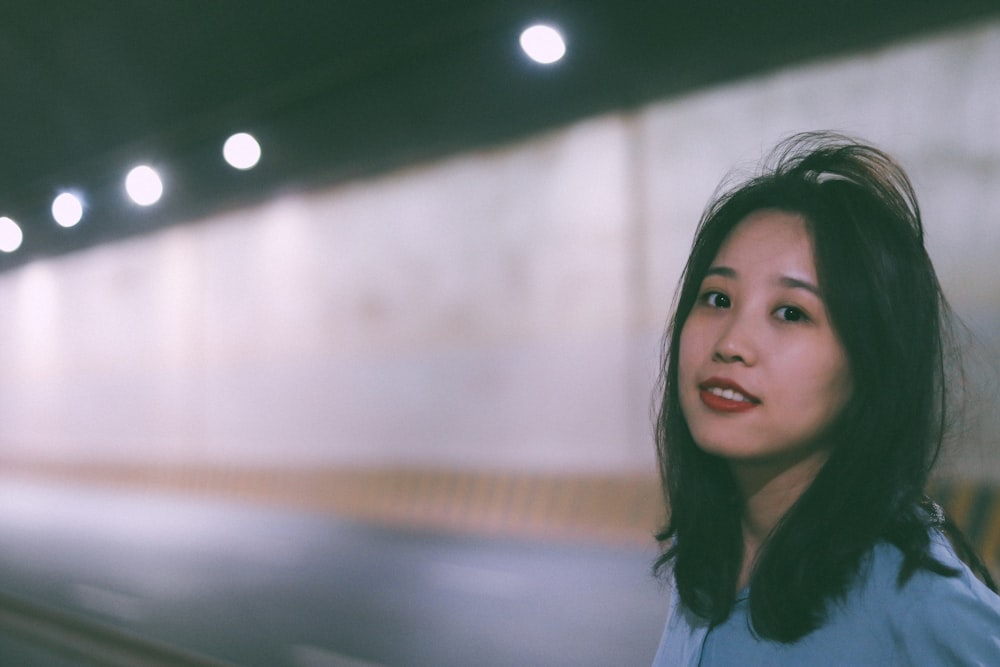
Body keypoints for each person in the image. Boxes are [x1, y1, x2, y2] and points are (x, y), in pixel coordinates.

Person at [650, 131, 1000, 665]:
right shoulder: (709, 570)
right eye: (717, 298)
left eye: (791, 312)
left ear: (870, 363)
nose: (730, 345)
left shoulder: (919, 605)